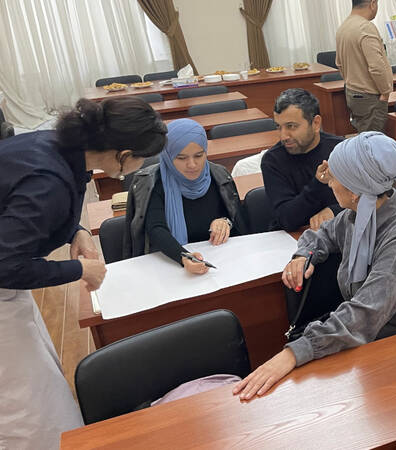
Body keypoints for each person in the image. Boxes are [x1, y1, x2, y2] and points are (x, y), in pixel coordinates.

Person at [232, 132, 396, 400]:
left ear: (355, 192)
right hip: (373, 334)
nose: (329, 184)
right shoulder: (355, 215)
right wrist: (303, 255)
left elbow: (367, 311)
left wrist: (295, 352)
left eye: (334, 178)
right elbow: (322, 234)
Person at [0, 97, 166, 448]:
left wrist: (76, 231)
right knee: (25, 403)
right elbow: (5, 267)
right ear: (122, 154)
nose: (139, 166)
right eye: (139, 158)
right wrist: (79, 269)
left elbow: (20, 206)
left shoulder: (62, 150)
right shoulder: (48, 179)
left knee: (40, 375)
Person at [125, 119, 246, 273]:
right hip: (170, 263)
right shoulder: (154, 183)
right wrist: (183, 257)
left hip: (220, 260)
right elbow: (156, 229)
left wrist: (225, 222)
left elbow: (236, 218)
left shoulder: (219, 176)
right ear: (168, 156)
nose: (192, 164)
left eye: (199, 155)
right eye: (181, 158)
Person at [261, 89, 343, 232]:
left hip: (341, 233)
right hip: (294, 240)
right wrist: (317, 184)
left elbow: (368, 198)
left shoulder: (341, 150)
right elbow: (286, 219)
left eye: (291, 126)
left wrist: (335, 211)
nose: (283, 136)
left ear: (316, 123)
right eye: (279, 127)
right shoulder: (272, 160)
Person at [336, 0, 393, 132]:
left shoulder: (343, 27)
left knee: (364, 138)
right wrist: (385, 92)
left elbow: (339, 63)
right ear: (373, 3)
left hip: (353, 92)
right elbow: (376, 67)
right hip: (370, 97)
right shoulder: (365, 27)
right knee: (373, 143)